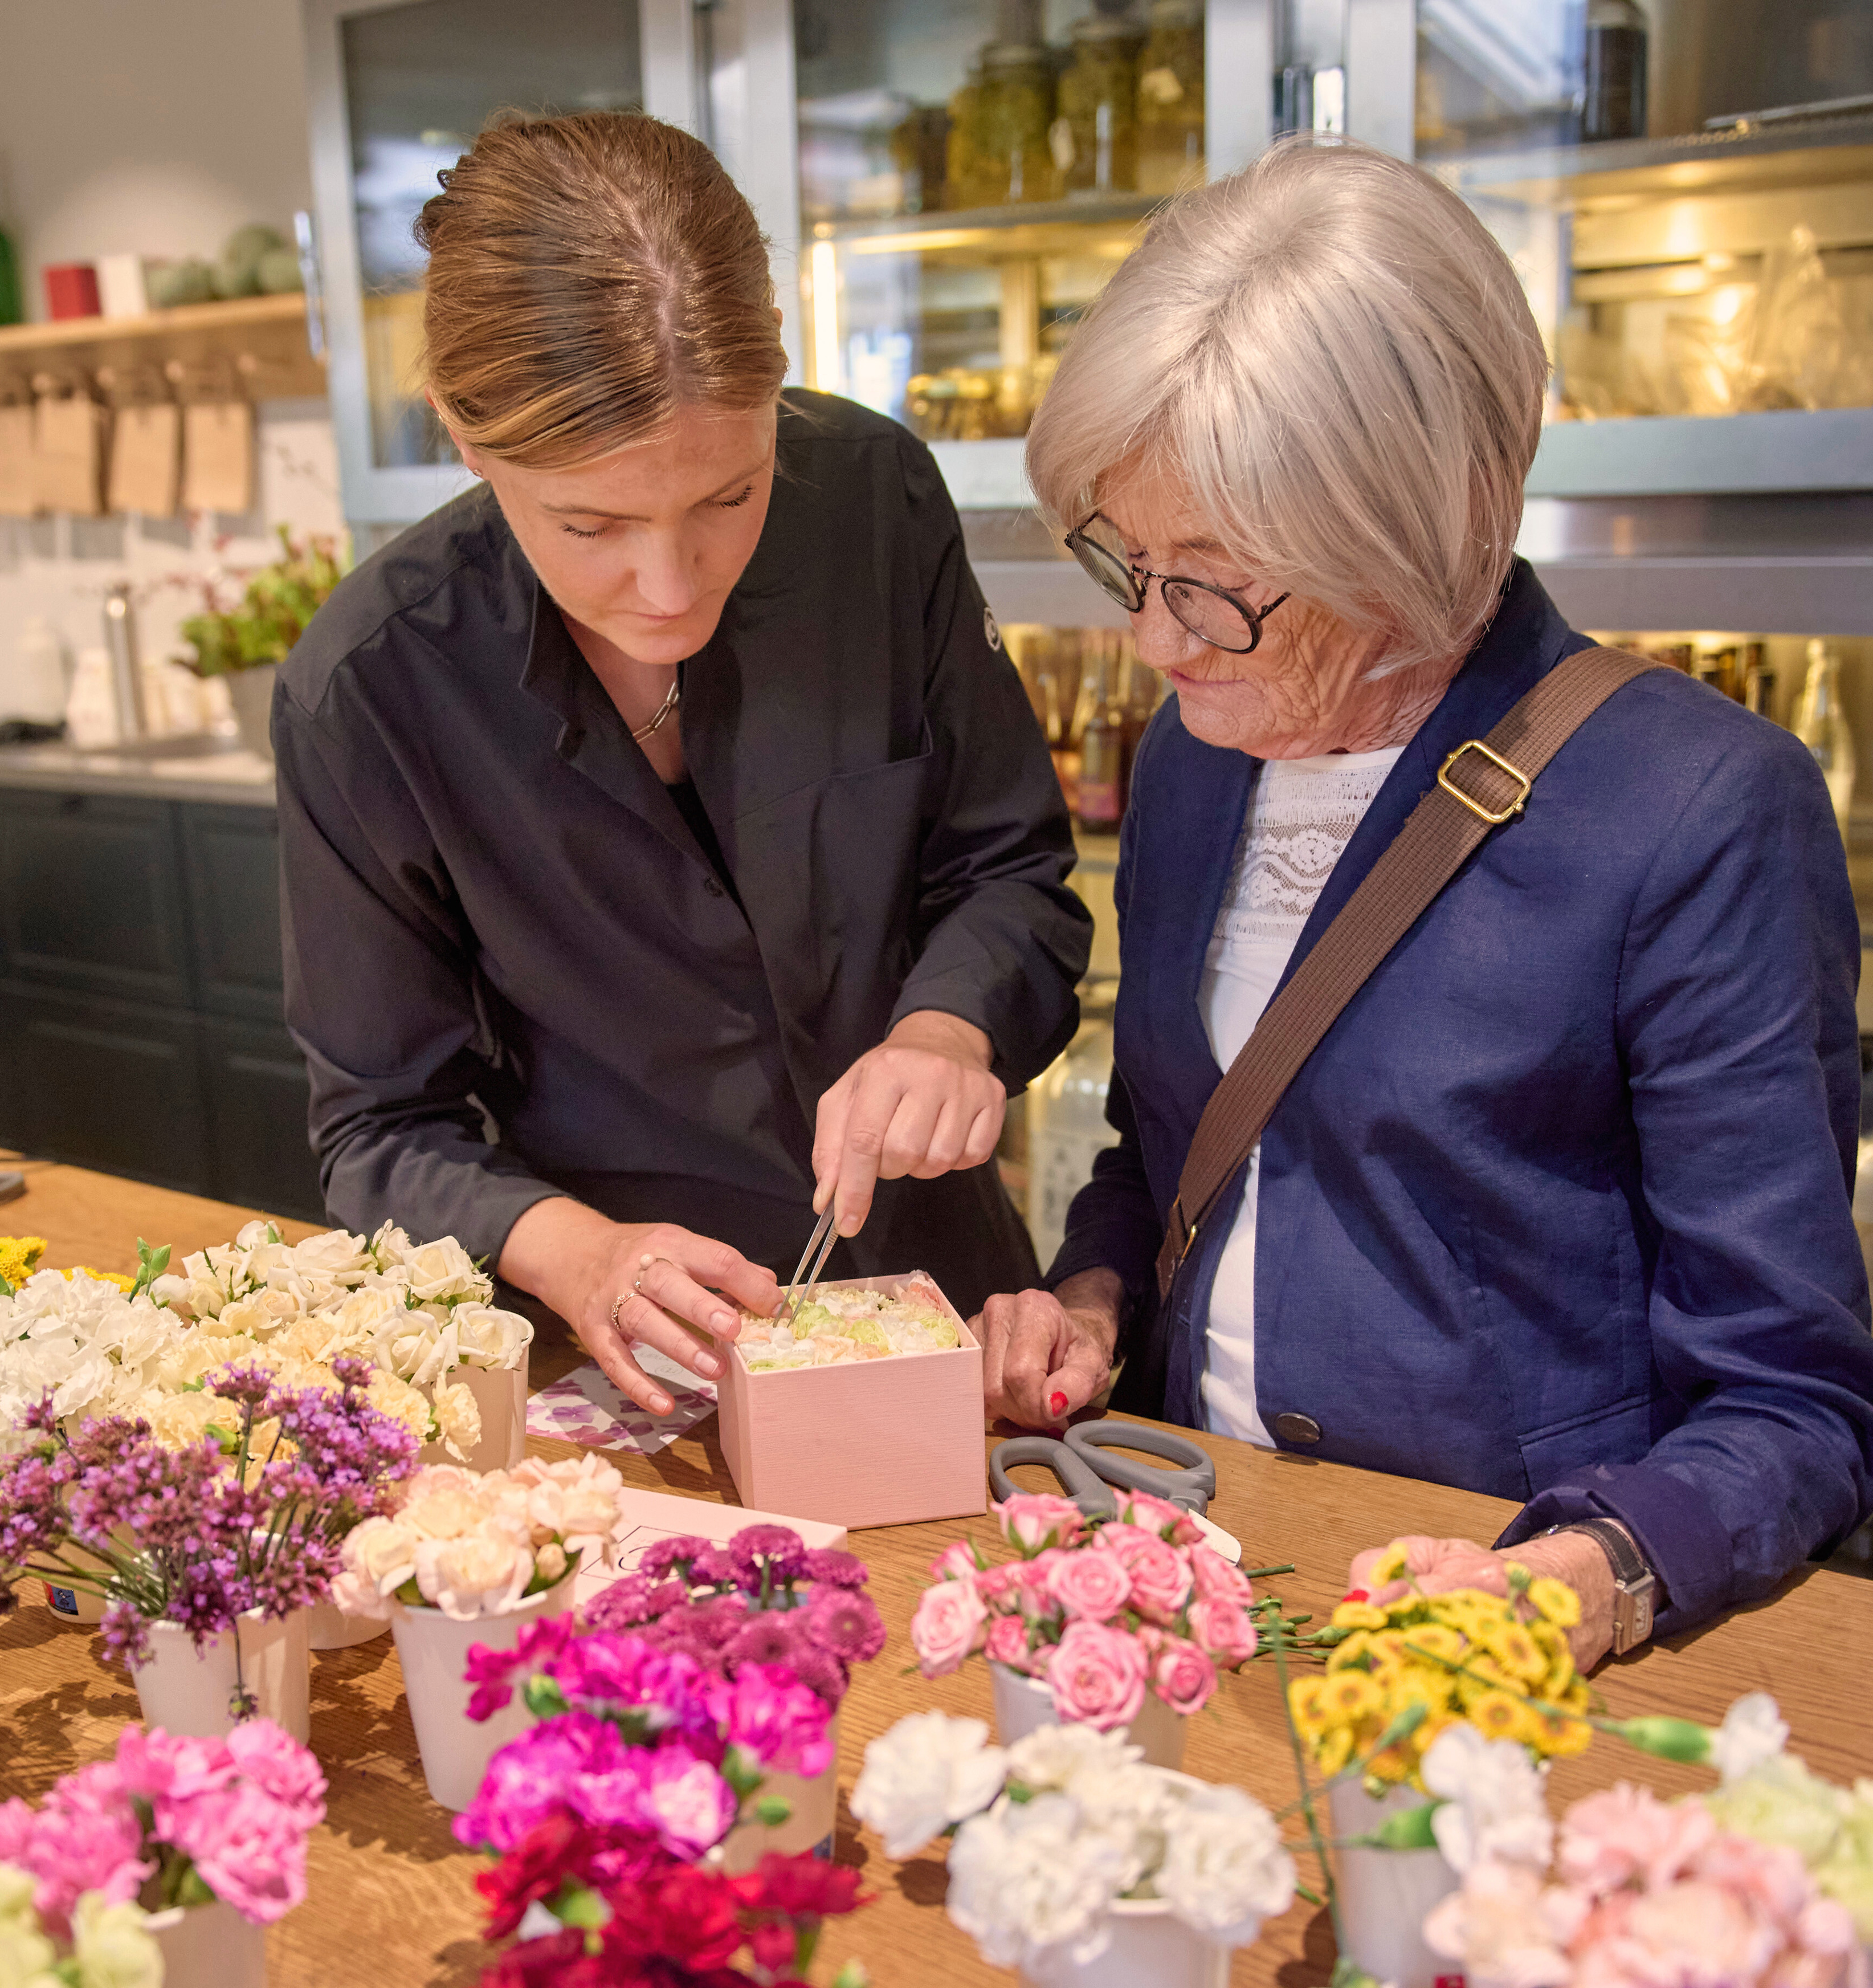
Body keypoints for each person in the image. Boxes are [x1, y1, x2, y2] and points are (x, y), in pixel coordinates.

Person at [974, 138, 1873, 1669]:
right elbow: (1169, 1140)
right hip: (1207, 1575)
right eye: (1125, 559)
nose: (1149, 637)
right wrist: (1094, 1290)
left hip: (1503, 1630)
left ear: (1411, 531)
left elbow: (1794, 1400)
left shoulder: (1697, 810)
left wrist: (1585, 1578)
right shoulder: (1206, 760)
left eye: (1211, 579)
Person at [275, 111, 1090, 1419]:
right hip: (639, 1367)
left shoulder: (873, 506)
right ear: (466, 440)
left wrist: (947, 1030)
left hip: (951, 1318)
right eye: (590, 522)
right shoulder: (371, 688)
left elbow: (1012, 872)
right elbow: (379, 1132)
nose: (669, 589)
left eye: (730, 496)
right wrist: (579, 1255)